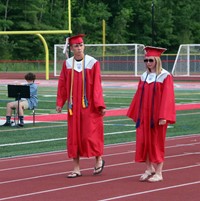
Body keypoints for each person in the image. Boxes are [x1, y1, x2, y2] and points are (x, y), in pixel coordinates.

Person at [56, 34, 106, 178]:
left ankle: (98, 160)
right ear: (71, 48)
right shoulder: (67, 64)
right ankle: (76, 168)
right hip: (73, 107)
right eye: (76, 46)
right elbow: (63, 85)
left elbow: (97, 85)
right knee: (74, 137)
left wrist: (100, 105)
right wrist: (60, 102)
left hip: (89, 105)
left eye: (81, 45)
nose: (79, 48)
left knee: (90, 134)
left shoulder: (92, 63)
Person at [127, 46, 176, 182]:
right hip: (143, 116)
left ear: (157, 60)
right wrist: (136, 114)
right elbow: (138, 96)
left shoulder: (165, 76)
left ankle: (159, 172)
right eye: (146, 60)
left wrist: (164, 116)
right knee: (143, 142)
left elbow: (168, 98)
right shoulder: (144, 76)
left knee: (156, 143)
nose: (148, 63)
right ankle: (149, 168)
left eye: (151, 60)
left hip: (157, 117)